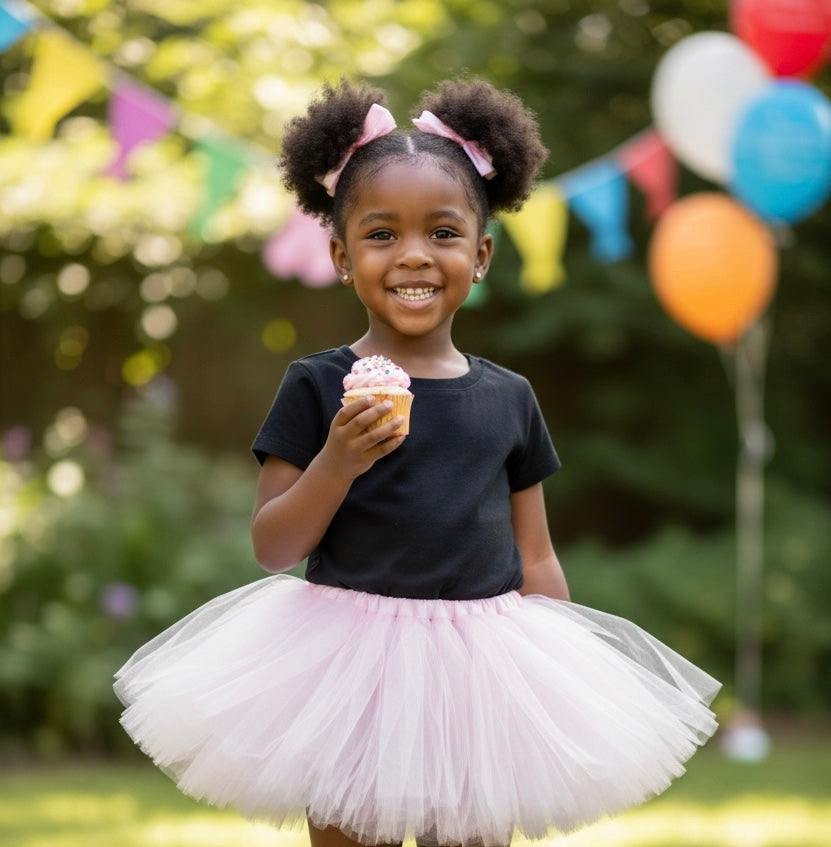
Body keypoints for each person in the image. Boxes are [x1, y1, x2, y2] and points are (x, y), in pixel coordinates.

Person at [114, 77, 720, 847]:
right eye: (380, 234)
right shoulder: (316, 385)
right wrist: (338, 456)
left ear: (482, 252)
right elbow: (273, 547)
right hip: (346, 676)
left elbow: (533, 553)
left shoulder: (508, 398)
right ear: (339, 254)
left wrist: (553, 682)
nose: (413, 256)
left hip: (480, 674)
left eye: (441, 232)